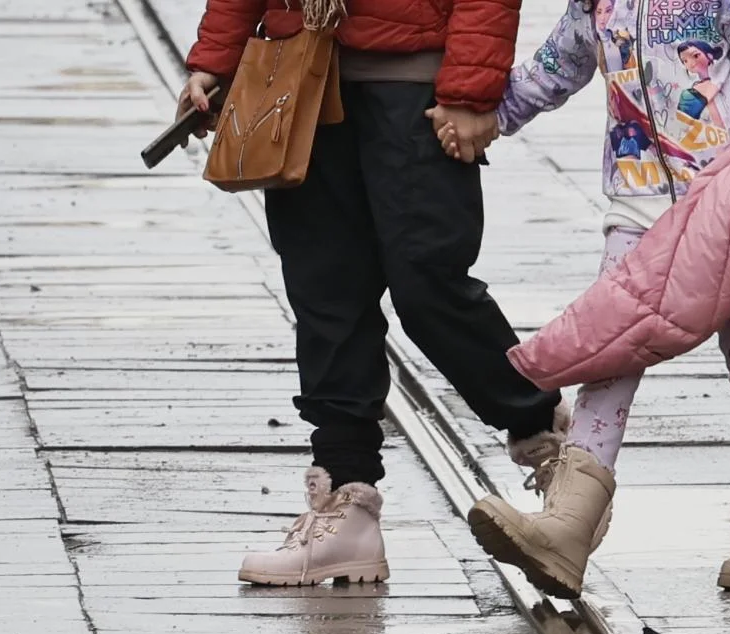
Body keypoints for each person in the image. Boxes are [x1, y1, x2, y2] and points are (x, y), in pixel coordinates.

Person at [177, 0, 567, 587]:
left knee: (427, 284)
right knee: (325, 295)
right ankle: (345, 499)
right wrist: (217, 58)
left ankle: (541, 431)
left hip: (414, 84)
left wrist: (468, 90)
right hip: (301, 74)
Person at [438, 0, 730, 597]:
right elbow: (553, 68)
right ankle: (569, 525)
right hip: (637, 208)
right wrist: (485, 117)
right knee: (610, 354)